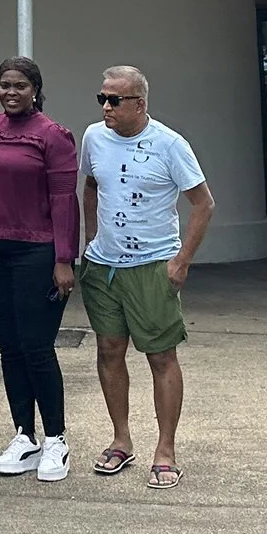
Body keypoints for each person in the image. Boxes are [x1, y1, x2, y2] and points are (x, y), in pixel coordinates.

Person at [80, 65, 215, 489]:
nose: (106, 107)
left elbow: (203, 204)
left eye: (115, 100)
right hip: (104, 267)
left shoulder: (169, 145)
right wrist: (90, 241)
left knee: (160, 357)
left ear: (140, 103)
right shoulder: (93, 138)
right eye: (102, 98)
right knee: (108, 351)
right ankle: (121, 440)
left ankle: (166, 450)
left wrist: (182, 261)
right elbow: (89, 185)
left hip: (153, 265)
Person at [0, 55, 79, 483]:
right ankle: (25, 436)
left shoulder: (54, 136)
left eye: (20, 85)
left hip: (36, 254)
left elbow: (64, 202)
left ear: (35, 89)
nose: (11, 92)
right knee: (9, 349)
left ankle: (56, 439)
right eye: (5, 85)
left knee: (37, 349)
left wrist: (63, 259)